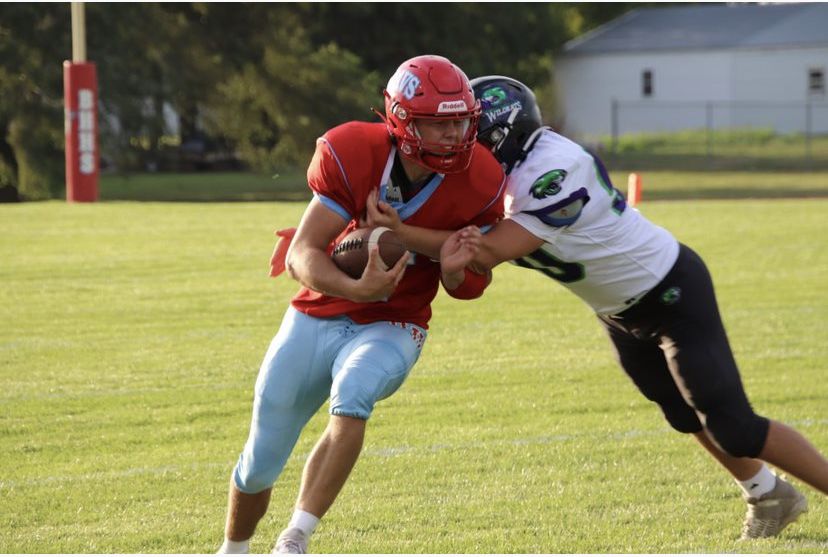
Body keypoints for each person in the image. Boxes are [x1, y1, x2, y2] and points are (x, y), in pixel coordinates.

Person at [365, 75, 828, 540]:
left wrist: (398, 232)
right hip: (617, 311)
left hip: (670, 293)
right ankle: (767, 494)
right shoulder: (494, 178)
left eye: (469, 133)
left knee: (736, 427)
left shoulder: (554, 167)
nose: (457, 146)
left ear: (502, 135)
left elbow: (485, 252)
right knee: (680, 413)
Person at [217, 55, 506, 554]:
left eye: (461, 121)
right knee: (260, 460)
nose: (454, 134)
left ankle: (295, 538)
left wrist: (453, 268)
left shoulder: (480, 177)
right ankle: (232, 550)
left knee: (353, 394)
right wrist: (355, 288)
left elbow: (470, 284)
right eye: (438, 124)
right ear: (402, 119)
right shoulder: (355, 152)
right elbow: (302, 254)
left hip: (396, 322)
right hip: (318, 312)